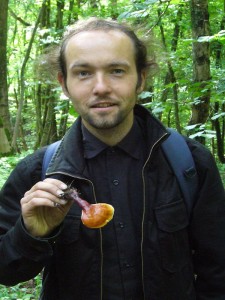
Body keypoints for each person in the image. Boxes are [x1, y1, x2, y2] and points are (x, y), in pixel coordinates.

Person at [0, 17, 225, 300]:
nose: (101, 87)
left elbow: (217, 272)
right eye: (83, 73)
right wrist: (31, 234)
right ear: (64, 83)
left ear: (141, 78)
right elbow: (6, 271)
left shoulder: (190, 164)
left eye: (117, 70)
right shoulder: (37, 174)